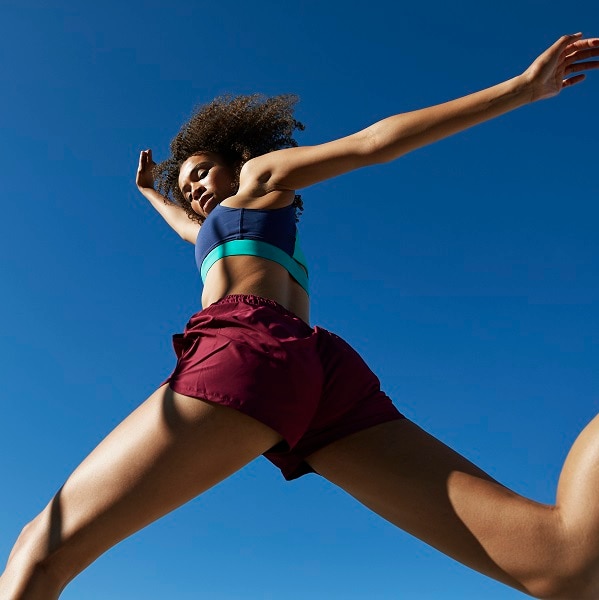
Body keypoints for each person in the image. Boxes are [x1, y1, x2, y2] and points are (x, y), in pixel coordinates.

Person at [1, 33, 599, 600]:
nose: (197, 192)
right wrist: (150, 193)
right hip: (319, 377)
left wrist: (521, 88)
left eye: (202, 172)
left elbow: (373, 143)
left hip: (248, 350)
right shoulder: (223, 230)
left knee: (39, 550)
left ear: (241, 158)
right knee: (563, 563)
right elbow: (188, 229)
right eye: (188, 189)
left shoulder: (261, 179)